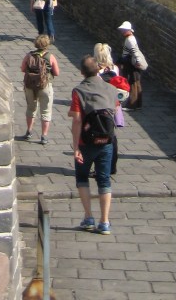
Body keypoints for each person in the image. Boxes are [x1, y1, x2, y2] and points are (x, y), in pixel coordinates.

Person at [69, 55, 118, 235]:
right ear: (98, 69)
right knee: (104, 179)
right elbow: (114, 111)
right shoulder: (111, 88)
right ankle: (104, 221)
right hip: (107, 141)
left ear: (82, 72)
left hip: (86, 142)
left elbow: (77, 120)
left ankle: (88, 217)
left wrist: (76, 147)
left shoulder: (79, 91)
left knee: (82, 178)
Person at [19, 34, 60, 145]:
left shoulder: (29, 55)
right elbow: (57, 72)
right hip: (45, 86)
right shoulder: (50, 57)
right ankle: (44, 136)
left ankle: (29, 132)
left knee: (31, 109)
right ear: (47, 45)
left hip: (30, 85)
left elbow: (22, 68)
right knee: (46, 111)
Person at [117, 20, 146, 110]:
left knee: (132, 82)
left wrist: (138, 62)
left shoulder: (129, 40)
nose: (122, 32)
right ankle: (138, 104)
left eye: (124, 30)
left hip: (130, 64)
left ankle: (132, 105)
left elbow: (135, 51)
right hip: (132, 63)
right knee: (136, 82)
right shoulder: (132, 38)